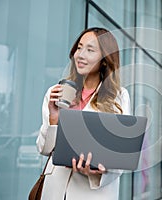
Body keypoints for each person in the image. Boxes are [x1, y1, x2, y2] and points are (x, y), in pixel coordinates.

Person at [36, 27, 131, 200]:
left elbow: (120, 159)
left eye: (90, 50)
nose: (80, 55)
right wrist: (53, 119)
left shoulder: (119, 97)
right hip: (55, 189)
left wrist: (97, 172)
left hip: (92, 192)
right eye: (79, 48)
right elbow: (44, 149)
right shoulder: (56, 92)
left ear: (104, 59)